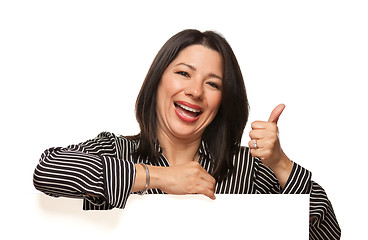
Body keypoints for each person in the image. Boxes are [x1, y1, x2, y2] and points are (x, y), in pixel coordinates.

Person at [33, 29, 341, 239]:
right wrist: (162, 178)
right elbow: (47, 170)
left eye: (213, 83)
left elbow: (326, 234)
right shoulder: (115, 151)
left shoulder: (247, 170)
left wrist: (281, 164)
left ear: (223, 100)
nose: (195, 91)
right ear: (157, 82)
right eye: (183, 73)